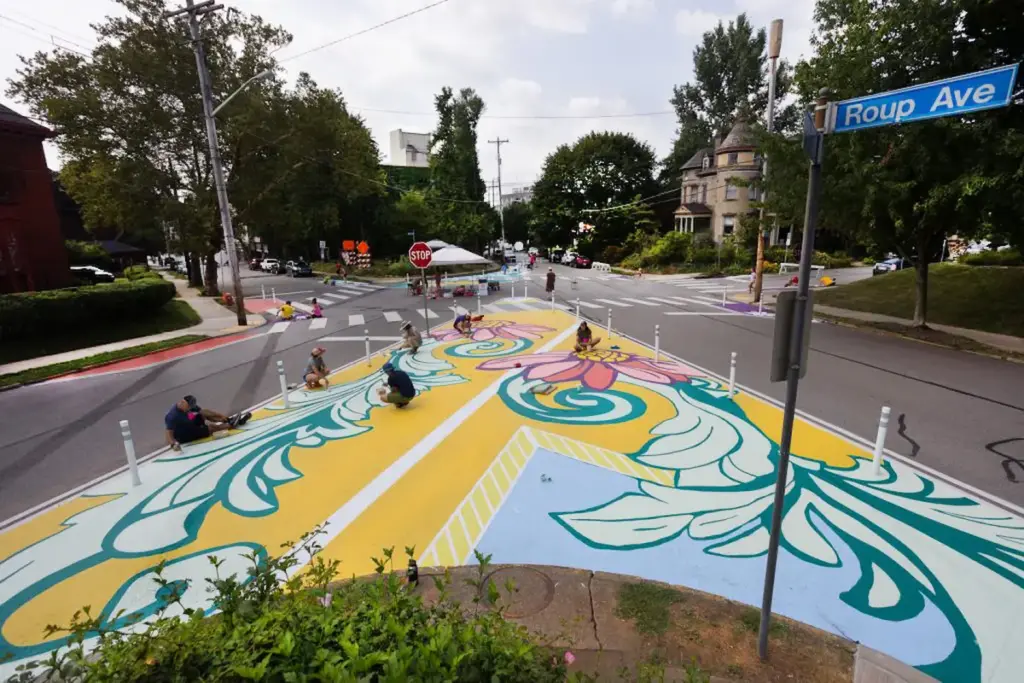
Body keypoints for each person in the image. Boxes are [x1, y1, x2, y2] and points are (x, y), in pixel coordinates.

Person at [165, 395, 250, 451]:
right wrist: (173, 444)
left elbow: (204, 411)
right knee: (211, 427)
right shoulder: (173, 416)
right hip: (185, 434)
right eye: (189, 407)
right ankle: (232, 425)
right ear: (182, 403)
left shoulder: (189, 408)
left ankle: (229, 420)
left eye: (191, 407)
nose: (190, 408)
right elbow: (168, 433)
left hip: (189, 422)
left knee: (204, 414)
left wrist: (222, 416)